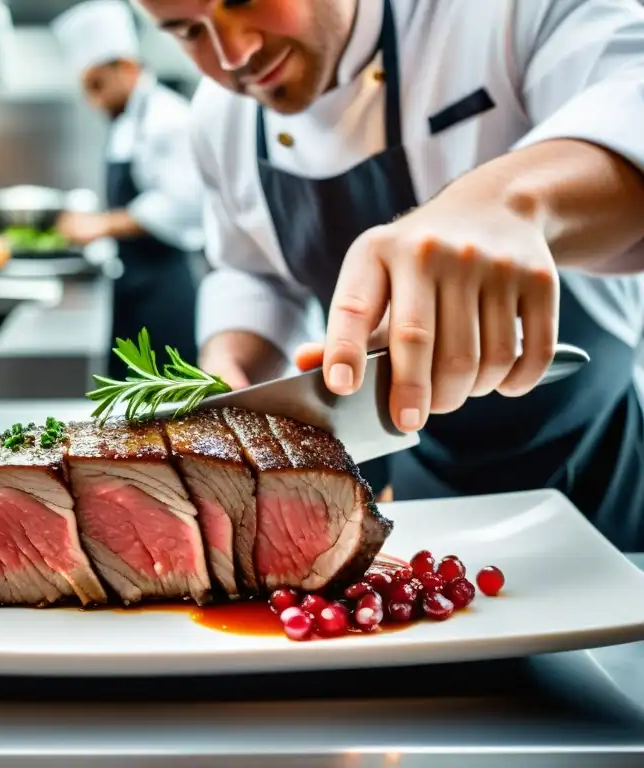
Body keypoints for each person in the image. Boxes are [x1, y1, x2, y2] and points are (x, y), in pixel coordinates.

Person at [132, 0, 644, 550]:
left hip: (591, 461)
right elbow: (252, 271)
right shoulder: (219, 117)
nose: (236, 54)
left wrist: (506, 202)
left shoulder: (502, 13)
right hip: (421, 477)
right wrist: (230, 367)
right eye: (188, 32)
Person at [51, 0, 206, 379]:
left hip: (165, 289)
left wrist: (101, 225)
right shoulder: (129, 121)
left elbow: (185, 203)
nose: (94, 101)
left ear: (126, 66)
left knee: (170, 407)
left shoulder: (167, 118)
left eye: (97, 86)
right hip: (133, 284)